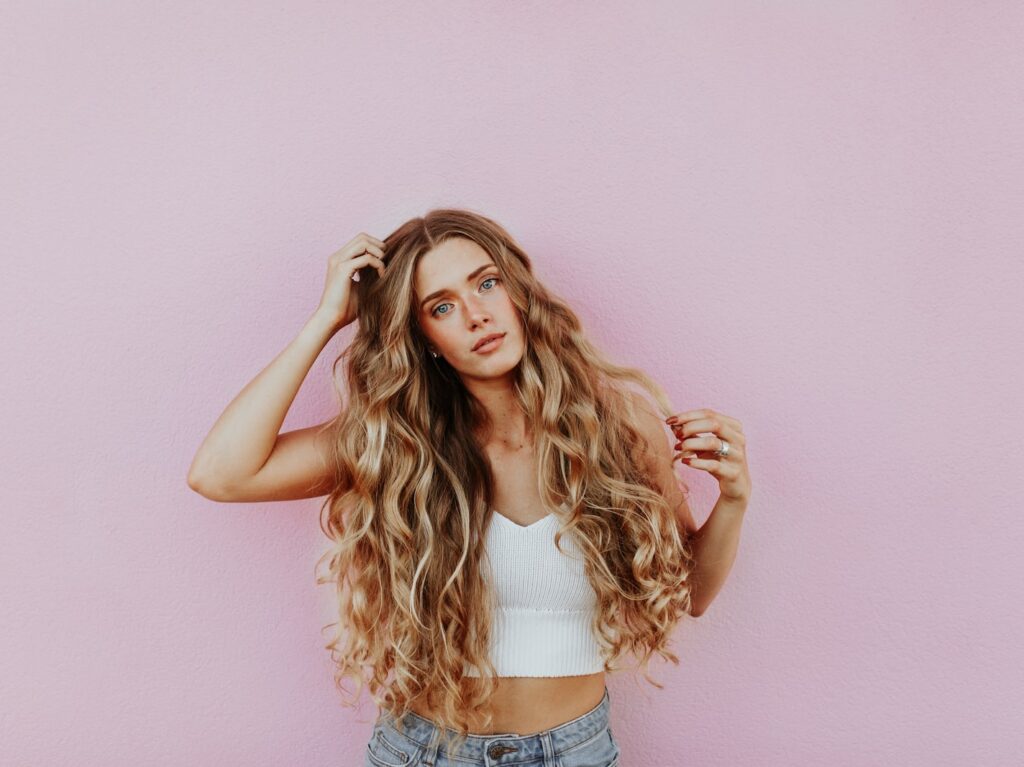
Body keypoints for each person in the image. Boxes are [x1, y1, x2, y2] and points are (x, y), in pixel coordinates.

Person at [188, 208, 750, 766]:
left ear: (519, 292)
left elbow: (690, 595)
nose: (477, 315)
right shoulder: (397, 445)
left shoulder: (618, 428)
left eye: (487, 283)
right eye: (442, 306)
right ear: (423, 337)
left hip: (574, 753)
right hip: (425, 752)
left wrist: (733, 499)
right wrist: (328, 318)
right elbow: (222, 474)